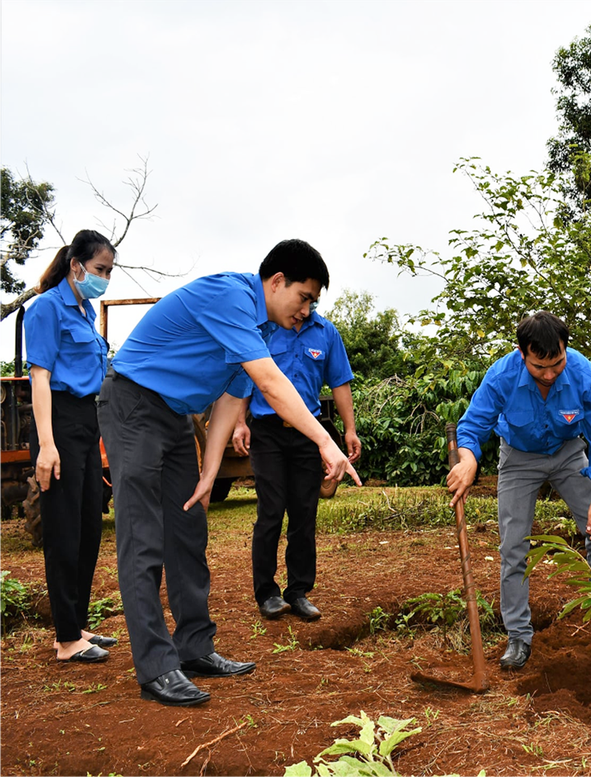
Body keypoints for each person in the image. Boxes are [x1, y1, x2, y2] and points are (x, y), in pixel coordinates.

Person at [97, 238, 361, 707]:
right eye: (304, 297)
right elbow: (270, 384)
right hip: (134, 403)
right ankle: (156, 667)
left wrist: (209, 472)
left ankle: (194, 648)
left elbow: (230, 400)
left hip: (177, 417)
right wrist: (326, 440)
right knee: (143, 537)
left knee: (188, 529)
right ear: (276, 282)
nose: (306, 311)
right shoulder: (230, 297)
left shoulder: (257, 328)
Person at [447, 311, 591, 671]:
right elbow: (473, 425)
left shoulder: (583, 374)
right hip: (518, 458)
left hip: (569, 454)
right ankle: (518, 635)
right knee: (513, 546)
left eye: (557, 364)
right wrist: (468, 461)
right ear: (522, 353)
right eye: (540, 367)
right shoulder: (502, 376)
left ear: (565, 349)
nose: (550, 374)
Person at [231, 250, 360, 622]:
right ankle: (267, 592)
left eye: (311, 301)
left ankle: (298, 591)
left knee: (304, 512)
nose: (304, 309)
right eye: (303, 298)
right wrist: (240, 422)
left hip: (308, 434)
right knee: (271, 510)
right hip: (267, 431)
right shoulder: (267, 328)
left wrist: (349, 430)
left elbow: (340, 383)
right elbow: (247, 378)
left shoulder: (327, 333)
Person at [25, 229, 119, 663]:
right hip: (58, 422)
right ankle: (65, 640)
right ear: (76, 266)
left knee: (87, 528)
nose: (105, 279)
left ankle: (76, 625)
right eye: (100, 269)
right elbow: (40, 378)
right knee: (63, 530)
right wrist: (47, 445)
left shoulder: (85, 310)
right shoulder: (47, 307)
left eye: (110, 271)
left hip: (85, 421)